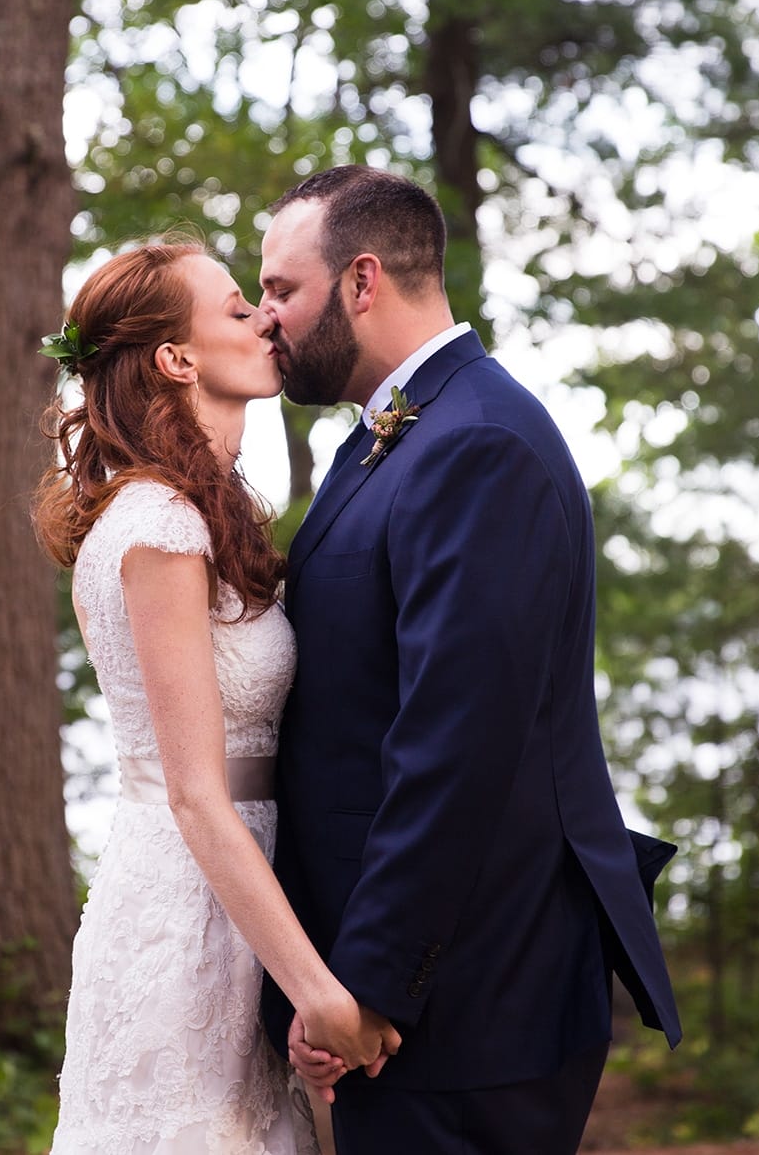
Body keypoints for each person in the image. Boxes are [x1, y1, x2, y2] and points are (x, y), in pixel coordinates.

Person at [257, 167, 682, 1155]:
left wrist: (364, 983)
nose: (264, 315)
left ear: (361, 282)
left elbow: (456, 746)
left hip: (471, 999)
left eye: (282, 289)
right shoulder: (387, 441)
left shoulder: (476, 443)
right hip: (430, 995)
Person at [33, 238, 401, 1155]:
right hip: (188, 910)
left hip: (248, 898)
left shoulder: (207, 514)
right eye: (239, 308)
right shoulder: (156, 522)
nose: (267, 318)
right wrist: (321, 993)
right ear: (176, 359)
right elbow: (197, 791)